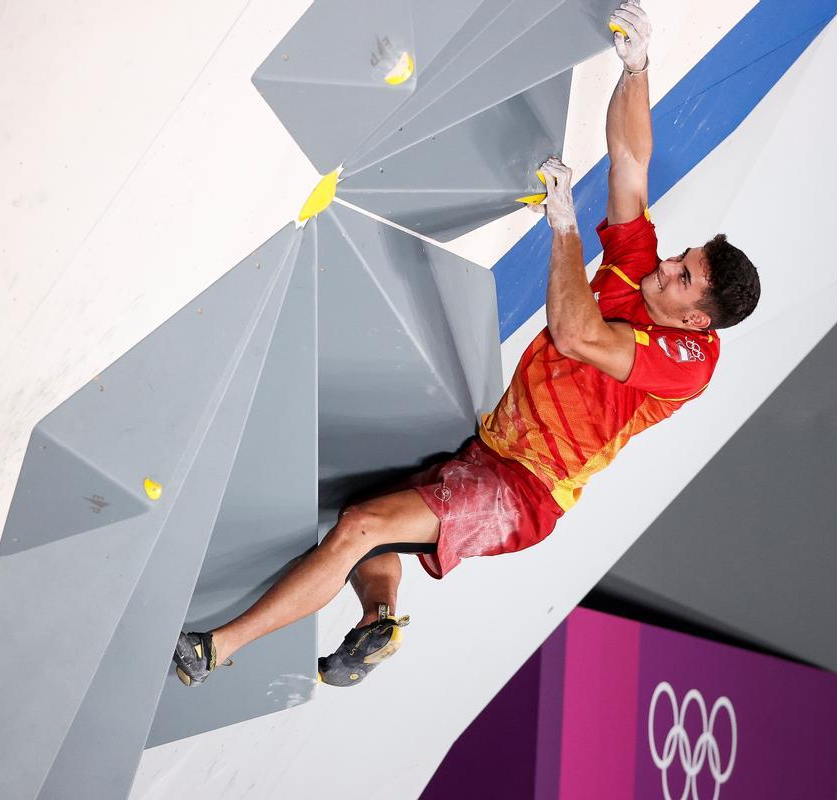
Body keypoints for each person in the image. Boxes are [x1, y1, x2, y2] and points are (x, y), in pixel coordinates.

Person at [173, 1, 760, 688]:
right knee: (373, 517)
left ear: (697, 320)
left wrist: (565, 229)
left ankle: (216, 648)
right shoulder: (640, 268)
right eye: (678, 257)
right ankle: (379, 619)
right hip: (491, 445)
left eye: (683, 276)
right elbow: (630, 163)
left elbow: (576, 334)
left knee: (362, 525)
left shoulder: (687, 366)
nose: (667, 265)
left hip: (523, 492)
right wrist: (636, 68)